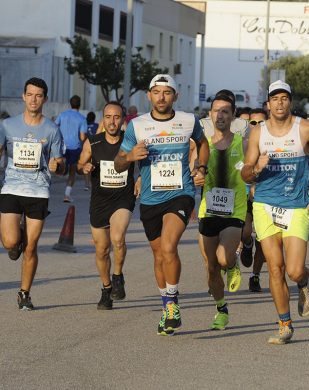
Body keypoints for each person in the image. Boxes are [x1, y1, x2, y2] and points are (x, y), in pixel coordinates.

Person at [241, 80, 309, 345]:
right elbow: (245, 173)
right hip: (264, 205)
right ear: (268, 104)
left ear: (289, 102)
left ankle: (304, 280)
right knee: (275, 268)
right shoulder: (258, 133)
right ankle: (284, 324)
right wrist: (256, 168)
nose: (279, 103)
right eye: (275, 98)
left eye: (284, 98)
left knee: (293, 271)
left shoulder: (304, 128)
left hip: (295, 206)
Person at [114, 74, 209, 335]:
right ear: (149, 96)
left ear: (175, 96)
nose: (162, 97)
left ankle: (173, 303)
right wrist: (131, 156)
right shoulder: (137, 125)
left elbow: (203, 143)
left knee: (169, 247)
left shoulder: (188, 121)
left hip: (181, 193)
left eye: (167, 92)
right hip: (150, 198)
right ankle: (168, 304)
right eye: (157, 92)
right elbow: (119, 162)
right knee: (158, 255)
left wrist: (201, 167)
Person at [0, 77, 66, 310]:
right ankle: (15, 234)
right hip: (11, 187)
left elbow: (60, 162)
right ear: (23, 96)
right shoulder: (8, 125)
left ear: (44, 99)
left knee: (31, 247)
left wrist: (59, 165)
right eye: (30, 94)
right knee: (10, 242)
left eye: (38, 95)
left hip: (38, 191)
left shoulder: (51, 129)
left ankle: (24, 293)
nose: (33, 99)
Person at [77, 101, 137, 310]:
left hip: (123, 198)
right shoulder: (92, 143)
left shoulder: (129, 142)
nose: (112, 122)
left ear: (122, 120)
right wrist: (83, 167)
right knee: (102, 250)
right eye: (108, 117)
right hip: (99, 201)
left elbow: (144, 164)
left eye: (117, 117)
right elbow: (79, 165)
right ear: (103, 119)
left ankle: (118, 275)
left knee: (118, 238)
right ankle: (106, 289)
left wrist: (139, 180)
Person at [197, 92, 247, 330]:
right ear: (210, 114)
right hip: (208, 212)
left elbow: (252, 170)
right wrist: (196, 175)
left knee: (223, 258)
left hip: (234, 212)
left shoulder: (242, 142)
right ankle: (221, 308)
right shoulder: (203, 144)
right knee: (210, 267)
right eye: (216, 110)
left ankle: (233, 261)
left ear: (233, 115)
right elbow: (192, 168)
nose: (220, 115)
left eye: (225, 111)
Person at [239, 108, 267, 293]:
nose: (257, 126)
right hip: (245, 196)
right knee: (246, 231)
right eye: (253, 123)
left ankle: (255, 276)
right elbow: (237, 170)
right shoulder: (241, 144)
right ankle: (246, 244)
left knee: (264, 241)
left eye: (261, 122)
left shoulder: (274, 144)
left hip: (267, 197)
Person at [55, 95, 87, 202]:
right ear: (80, 104)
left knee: (61, 167)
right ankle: (66, 195)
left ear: (70, 104)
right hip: (74, 147)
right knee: (73, 172)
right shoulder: (82, 118)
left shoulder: (62, 115)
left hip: (61, 146)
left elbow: (54, 127)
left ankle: (62, 169)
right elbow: (82, 137)